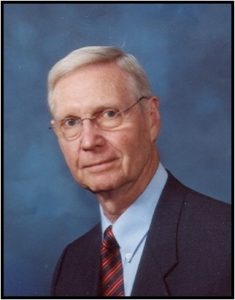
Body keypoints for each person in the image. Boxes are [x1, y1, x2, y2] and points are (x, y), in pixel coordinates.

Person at [48, 46, 231, 297]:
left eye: (109, 114)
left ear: (151, 118)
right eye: (71, 122)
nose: (89, 141)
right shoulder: (72, 264)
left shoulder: (225, 240)